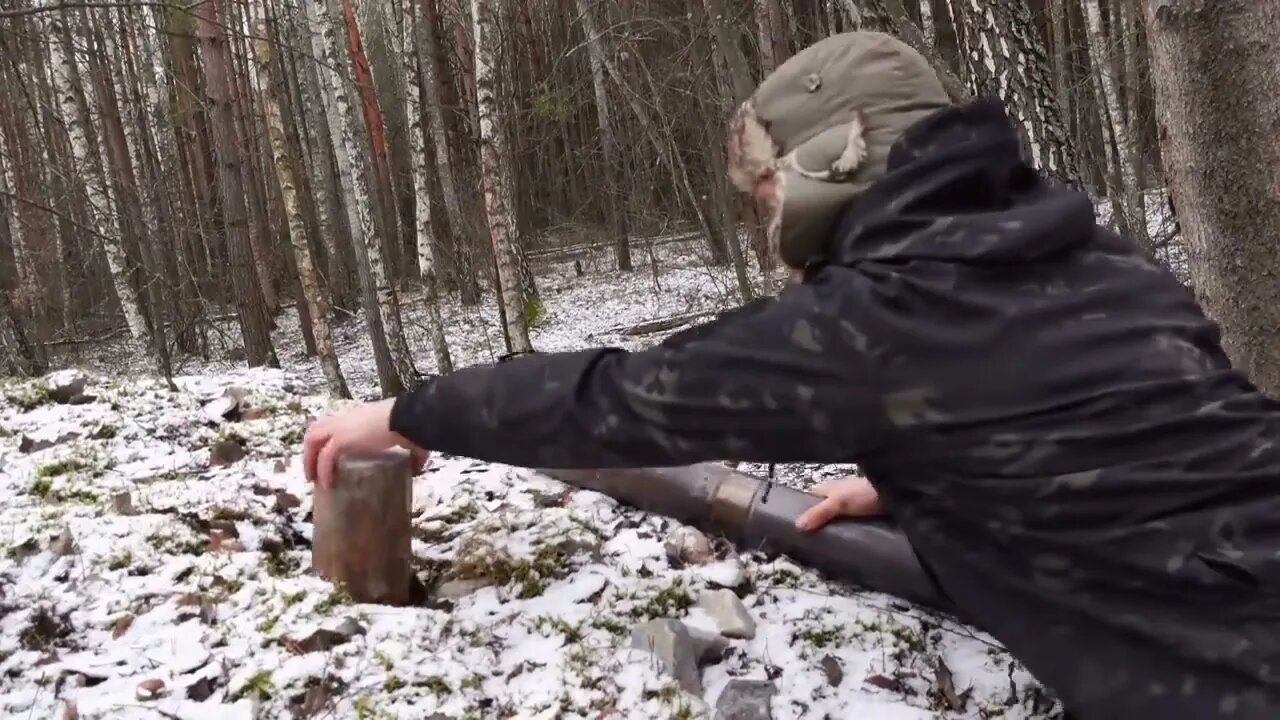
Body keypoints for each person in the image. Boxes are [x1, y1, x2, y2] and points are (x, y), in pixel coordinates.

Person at [303, 31, 1280, 719]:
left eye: (767, 188)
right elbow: (1149, 437)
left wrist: (405, 411)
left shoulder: (877, 327)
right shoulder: (1098, 259)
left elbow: (621, 400)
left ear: (831, 168)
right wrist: (927, 473)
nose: (765, 215)